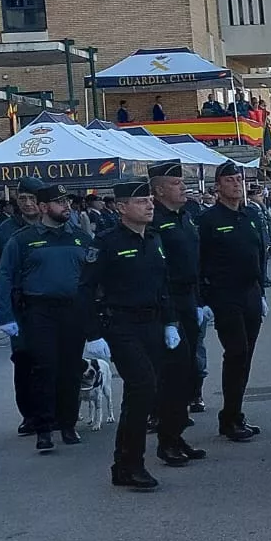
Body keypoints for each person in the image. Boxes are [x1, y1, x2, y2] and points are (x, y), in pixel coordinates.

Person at [81, 181, 186, 491]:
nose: (150, 205)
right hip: (121, 324)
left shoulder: (154, 239)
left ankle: (122, 463)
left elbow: (162, 284)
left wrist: (170, 323)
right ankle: (133, 463)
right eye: (141, 201)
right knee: (142, 386)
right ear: (122, 207)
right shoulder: (106, 243)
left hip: (153, 323)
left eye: (150, 200)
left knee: (144, 393)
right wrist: (92, 334)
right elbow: (85, 289)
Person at [0, 183, 94, 452]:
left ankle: (69, 423)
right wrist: (5, 315)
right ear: (43, 207)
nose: (67, 206)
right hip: (39, 311)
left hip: (73, 310)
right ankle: (44, 428)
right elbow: (4, 275)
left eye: (67, 201)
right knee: (44, 368)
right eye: (60, 202)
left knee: (71, 368)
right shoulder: (23, 239)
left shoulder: (80, 238)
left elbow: (94, 279)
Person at [150, 161, 233, 455]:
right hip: (167, 300)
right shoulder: (154, 222)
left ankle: (177, 433)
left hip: (189, 297)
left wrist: (200, 300)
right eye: (175, 183)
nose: (183, 187)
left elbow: (194, 262)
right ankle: (166, 438)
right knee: (172, 371)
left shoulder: (186, 217)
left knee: (188, 369)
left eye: (182, 182)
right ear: (158, 190)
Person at [198, 160, 270, 442]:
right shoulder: (208, 220)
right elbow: (199, 261)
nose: (236, 184)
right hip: (224, 294)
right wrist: (202, 299)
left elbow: (260, 252)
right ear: (217, 186)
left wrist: (261, 291)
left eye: (238, 179)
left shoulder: (251, 214)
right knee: (237, 352)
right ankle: (229, 417)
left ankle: (236, 413)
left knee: (246, 355)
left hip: (250, 292)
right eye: (229, 180)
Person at [0, 178, 43, 436]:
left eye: (33, 198)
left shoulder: (56, 223)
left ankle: (54, 411)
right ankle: (30, 415)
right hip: (19, 304)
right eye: (23, 199)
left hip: (48, 304)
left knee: (52, 359)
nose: (28, 203)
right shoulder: (7, 229)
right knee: (23, 360)